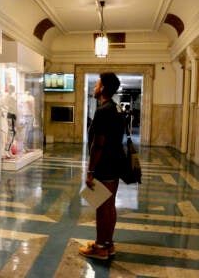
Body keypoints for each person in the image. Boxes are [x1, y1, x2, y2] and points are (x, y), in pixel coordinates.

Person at [79, 72, 125, 260]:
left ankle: (100, 247)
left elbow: (98, 144)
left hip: (104, 165)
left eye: (97, 84)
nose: (94, 87)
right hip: (115, 163)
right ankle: (108, 243)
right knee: (110, 205)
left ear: (103, 88)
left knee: (101, 206)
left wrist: (90, 171)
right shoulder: (116, 108)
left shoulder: (103, 110)